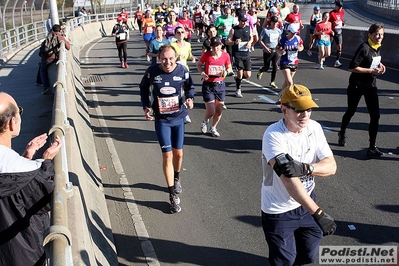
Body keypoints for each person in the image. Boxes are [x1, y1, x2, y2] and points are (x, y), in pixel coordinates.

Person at [261, 84, 337, 266]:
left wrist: (306, 168)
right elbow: (288, 180)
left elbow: (331, 165)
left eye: (308, 109)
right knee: (284, 261)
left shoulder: (314, 128)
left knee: (308, 256)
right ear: (284, 109)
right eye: (299, 109)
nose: (305, 115)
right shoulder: (273, 135)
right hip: (278, 208)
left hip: (307, 204)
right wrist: (318, 212)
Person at [0, 92, 62, 266]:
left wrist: (26, 157)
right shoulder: (30, 174)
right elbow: (46, 196)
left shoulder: (22, 169)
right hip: (22, 255)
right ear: (12, 123)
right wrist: (47, 160)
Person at [139, 45, 195, 213]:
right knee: (167, 154)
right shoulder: (152, 72)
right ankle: (172, 196)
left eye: (171, 59)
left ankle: (176, 177)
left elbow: (190, 87)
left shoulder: (182, 71)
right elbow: (143, 87)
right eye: (164, 59)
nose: (167, 62)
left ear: (176, 58)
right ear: (159, 58)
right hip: (162, 120)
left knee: (179, 154)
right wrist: (146, 107)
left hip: (178, 118)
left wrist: (190, 98)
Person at [338, 23, 386, 158]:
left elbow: (373, 60)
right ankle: (342, 132)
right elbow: (352, 67)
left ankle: (372, 147)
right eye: (376, 34)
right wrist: (371, 70)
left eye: (381, 35)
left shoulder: (377, 47)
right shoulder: (364, 48)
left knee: (375, 115)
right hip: (357, 85)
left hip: (370, 85)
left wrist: (381, 66)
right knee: (351, 111)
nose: (379, 37)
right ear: (369, 34)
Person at [196, 36, 232, 137]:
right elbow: (198, 65)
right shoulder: (207, 55)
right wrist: (202, 73)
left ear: (221, 45)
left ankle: (213, 127)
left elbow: (229, 67)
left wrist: (226, 71)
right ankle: (205, 121)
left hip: (220, 85)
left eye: (217, 45)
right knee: (211, 111)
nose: (215, 48)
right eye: (213, 46)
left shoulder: (225, 55)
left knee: (219, 110)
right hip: (208, 84)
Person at [226, 13, 253, 98]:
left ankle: (238, 79)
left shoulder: (249, 28)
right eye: (242, 21)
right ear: (239, 21)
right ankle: (238, 90)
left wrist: (250, 42)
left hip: (246, 53)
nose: (244, 23)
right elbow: (227, 41)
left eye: (245, 21)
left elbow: (251, 37)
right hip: (237, 54)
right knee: (240, 73)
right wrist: (234, 42)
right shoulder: (234, 29)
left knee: (248, 75)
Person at [39, 24, 71, 95]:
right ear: (60, 30)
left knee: (42, 70)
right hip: (53, 58)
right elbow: (68, 47)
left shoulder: (49, 35)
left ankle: (46, 87)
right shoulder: (60, 37)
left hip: (45, 58)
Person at [276, 24, 304, 92]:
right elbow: (277, 48)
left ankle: (282, 95)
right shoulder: (283, 40)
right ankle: (291, 97)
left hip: (294, 62)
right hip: (285, 62)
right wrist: (280, 52)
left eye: (295, 33)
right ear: (288, 31)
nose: (294, 34)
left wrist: (300, 48)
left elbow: (302, 46)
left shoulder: (298, 38)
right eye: (292, 33)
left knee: (286, 81)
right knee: (290, 83)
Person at [257, 16, 281, 89]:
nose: (274, 24)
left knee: (275, 67)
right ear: (270, 22)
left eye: (276, 22)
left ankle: (272, 82)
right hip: (267, 51)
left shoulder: (279, 31)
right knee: (267, 67)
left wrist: (280, 48)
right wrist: (266, 48)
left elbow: (279, 40)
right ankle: (261, 70)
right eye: (273, 22)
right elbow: (260, 40)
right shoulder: (266, 30)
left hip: (275, 51)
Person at [329, 0, 345, 67]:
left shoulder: (342, 12)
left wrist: (343, 23)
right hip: (332, 32)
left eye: (341, 7)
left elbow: (341, 19)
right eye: (339, 7)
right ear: (336, 6)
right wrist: (333, 24)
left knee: (339, 47)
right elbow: (328, 23)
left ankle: (337, 61)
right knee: (329, 48)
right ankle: (322, 56)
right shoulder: (331, 13)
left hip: (339, 32)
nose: (340, 9)